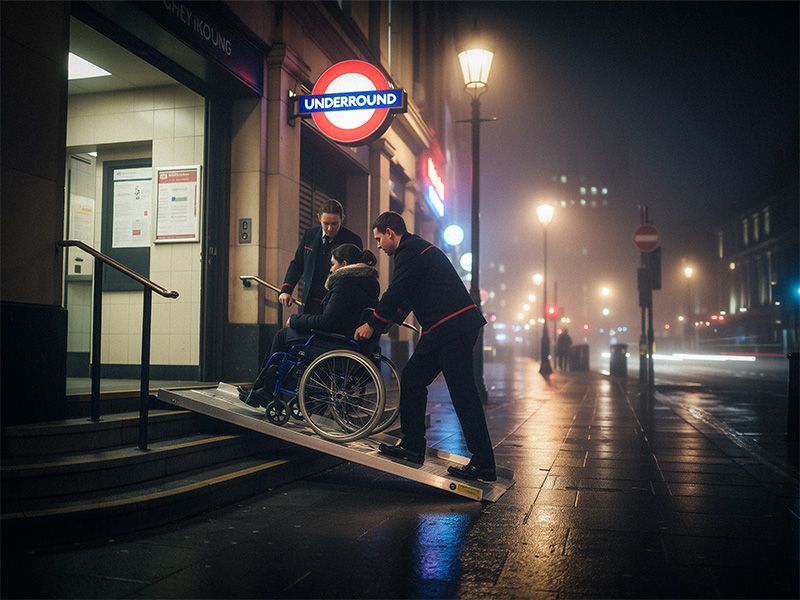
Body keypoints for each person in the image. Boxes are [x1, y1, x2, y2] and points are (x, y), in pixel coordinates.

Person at [354, 211, 496, 482]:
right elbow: (408, 296)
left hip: (451, 330)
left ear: (390, 233)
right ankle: (412, 446)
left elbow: (397, 291)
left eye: (379, 239)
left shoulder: (409, 251)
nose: (378, 246)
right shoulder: (416, 249)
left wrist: (372, 324)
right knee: (412, 379)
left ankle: (483, 463)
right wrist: (386, 323)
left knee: (463, 394)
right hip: (446, 330)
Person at [242, 244, 379, 407]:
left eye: (333, 264)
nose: (331, 269)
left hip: (336, 342)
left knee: (282, 336)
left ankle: (267, 390)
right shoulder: (368, 282)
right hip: (349, 342)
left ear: (344, 264)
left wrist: (295, 320)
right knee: (290, 336)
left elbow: (327, 322)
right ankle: (266, 387)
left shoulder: (346, 284)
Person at [279, 199, 363, 315]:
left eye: (334, 224)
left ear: (342, 219)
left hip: (336, 303)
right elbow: (298, 264)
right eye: (326, 223)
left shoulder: (353, 240)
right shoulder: (309, 235)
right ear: (319, 218)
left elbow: (356, 276)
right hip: (310, 301)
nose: (330, 228)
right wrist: (286, 289)